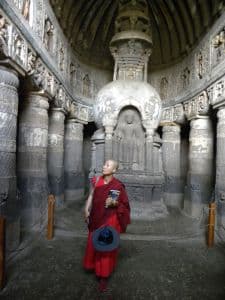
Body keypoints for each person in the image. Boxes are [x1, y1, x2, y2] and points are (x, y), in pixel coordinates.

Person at [83, 159, 130, 292]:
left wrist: (115, 204)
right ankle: (94, 267)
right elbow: (91, 195)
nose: (104, 166)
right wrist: (86, 209)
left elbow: (122, 205)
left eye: (107, 165)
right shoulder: (97, 180)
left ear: (114, 170)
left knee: (105, 246)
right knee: (93, 243)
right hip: (95, 216)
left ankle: (103, 276)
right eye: (104, 164)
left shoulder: (117, 185)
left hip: (109, 219)